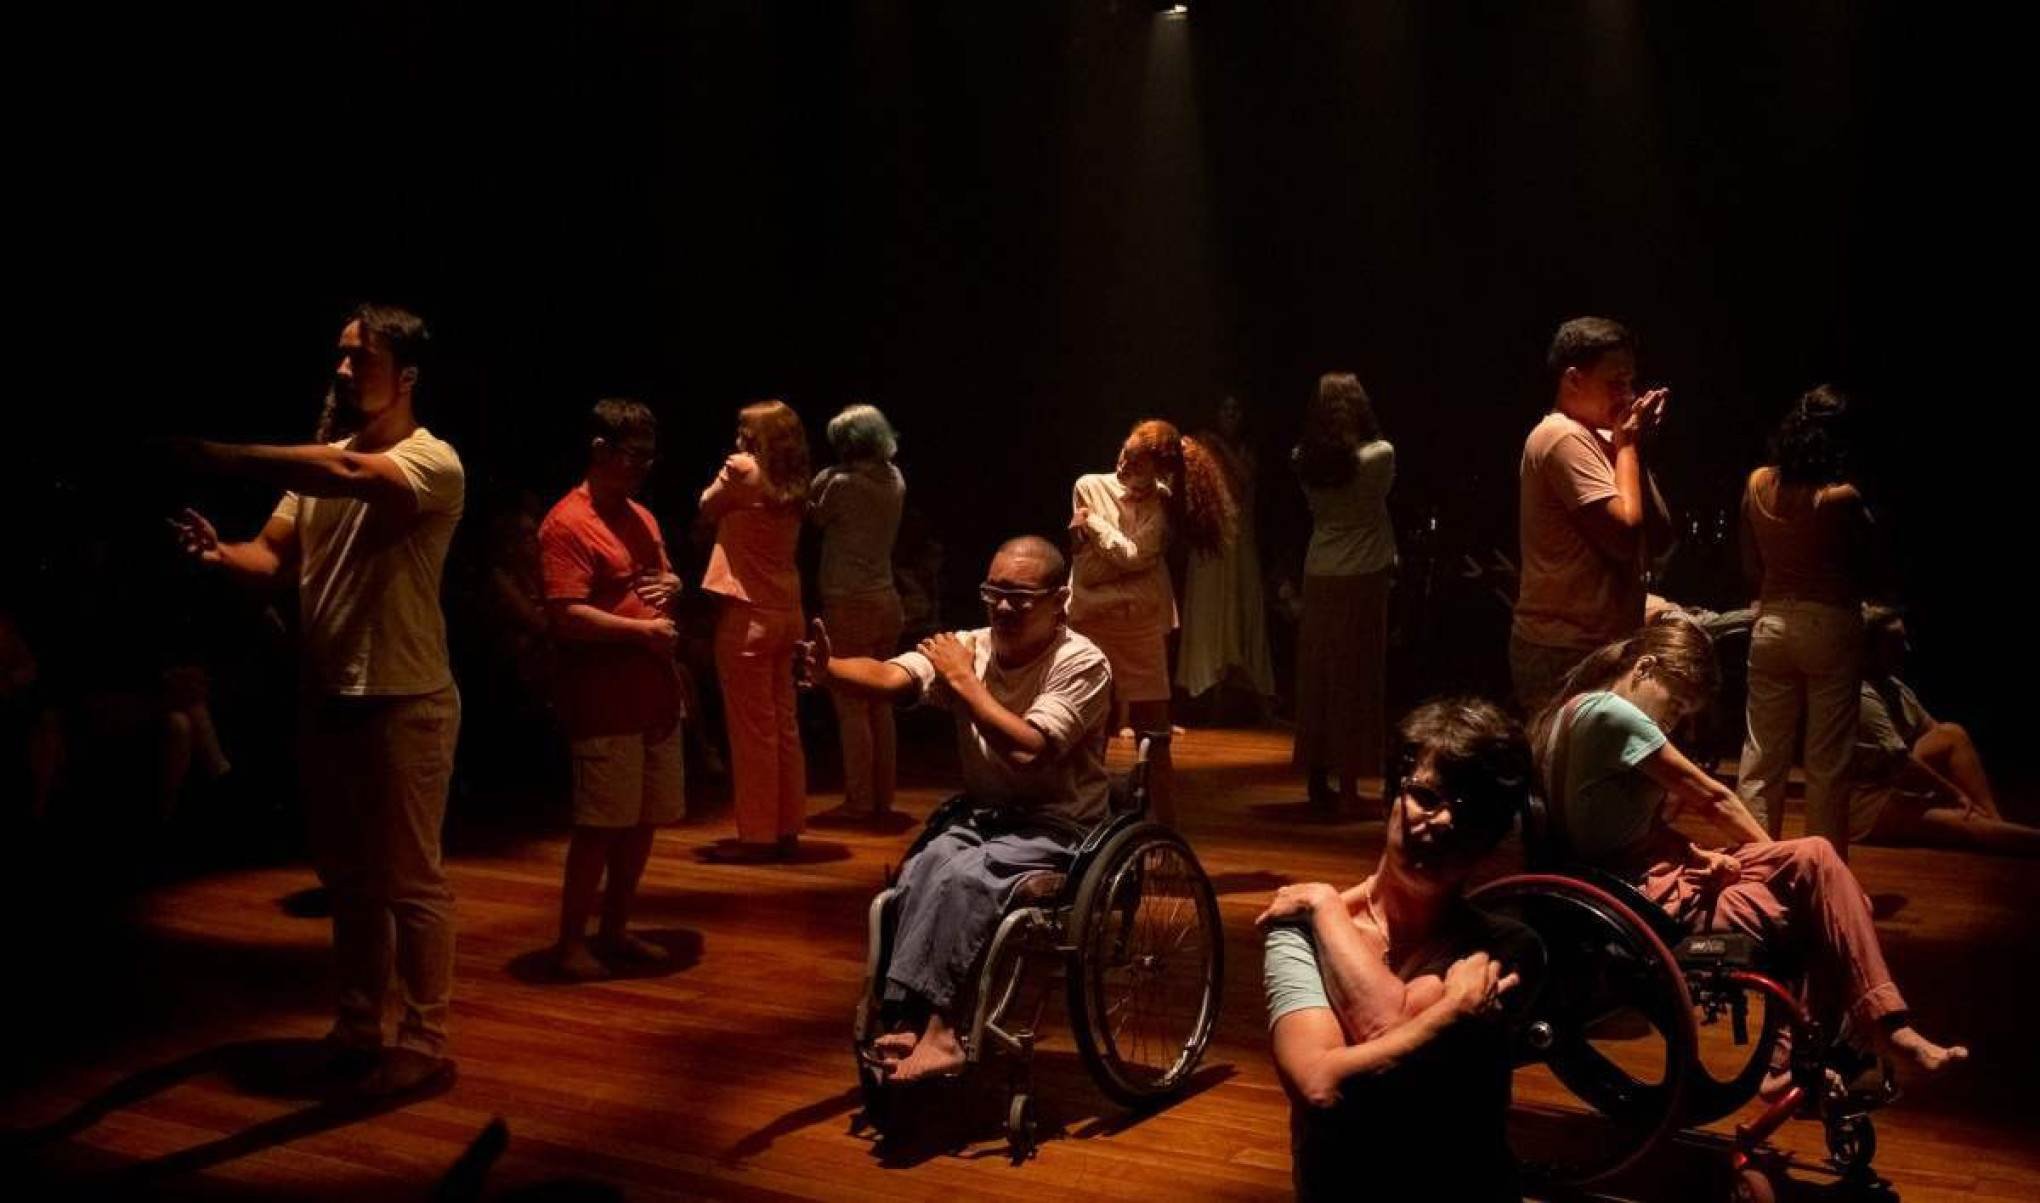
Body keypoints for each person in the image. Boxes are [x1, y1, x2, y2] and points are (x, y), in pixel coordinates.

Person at [170, 303, 463, 1096]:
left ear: (406, 376)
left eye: (360, 358)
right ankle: (359, 1025)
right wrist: (220, 554)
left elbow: (347, 477)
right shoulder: (321, 463)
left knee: (410, 879)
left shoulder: (431, 460)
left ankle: (424, 1038)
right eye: (340, 355)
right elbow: (273, 558)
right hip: (328, 693)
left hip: (405, 696)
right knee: (348, 878)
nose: (342, 370)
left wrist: (217, 455)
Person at [1532, 616, 1966, 1088]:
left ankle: (1809, 1052)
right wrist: (1778, 862)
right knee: (1825, 888)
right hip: (1638, 899)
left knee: (1820, 868)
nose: (1672, 721)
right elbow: (1713, 798)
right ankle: (1871, 1030)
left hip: (1640, 879)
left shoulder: (1577, 709)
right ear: (1645, 668)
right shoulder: (1614, 714)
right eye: (1675, 704)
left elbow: (1621, 825)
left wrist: (1698, 855)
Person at [798, 536, 1111, 1083]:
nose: (1003, 607)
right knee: (923, 869)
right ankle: (907, 1015)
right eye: (994, 593)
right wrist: (831, 670)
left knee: (969, 878)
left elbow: (1028, 750)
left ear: (1060, 600)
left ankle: (945, 1030)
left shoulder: (1081, 662)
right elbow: (892, 677)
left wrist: (964, 680)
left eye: (1020, 597)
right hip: (989, 815)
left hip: (1059, 824)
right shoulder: (969, 646)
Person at [1259, 698, 1542, 1201]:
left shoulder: (1510, 947)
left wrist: (1326, 904)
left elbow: (1385, 1024)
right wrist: (1453, 1012)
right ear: (1392, 795)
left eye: (1471, 810)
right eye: (1426, 797)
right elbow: (1321, 1087)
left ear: (1491, 837)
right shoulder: (1296, 932)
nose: (1443, 822)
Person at [538, 399, 686, 980]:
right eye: (635, 455)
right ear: (600, 449)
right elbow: (565, 615)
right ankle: (571, 941)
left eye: (651, 456)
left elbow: (662, 578)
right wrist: (641, 631)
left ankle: (616, 928)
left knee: (643, 821)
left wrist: (673, 586)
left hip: (653, 693)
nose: (644, 467)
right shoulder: (567, 524)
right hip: (604, 699)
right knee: (600, 826)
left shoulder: (641, 516)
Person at [1069, 419, 1234, 824]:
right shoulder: (1089, 485)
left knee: (1154, 733)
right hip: (1093, 620)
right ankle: (1084, 824)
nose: (1123, 464)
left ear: (1158, 470)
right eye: (1124, 453)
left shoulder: (1164, 502)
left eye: (1136, 462)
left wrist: (1093, 524)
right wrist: (1128, 568)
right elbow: (1090, 569)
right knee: (1091, 728)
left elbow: (1133, 557)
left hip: (1139, 625)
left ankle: (1165, 828)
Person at [1737, 385, 1880, 851]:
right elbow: (1871, 568)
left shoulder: (1757, 484)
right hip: (1829, 623)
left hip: (1771, 622)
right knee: (1827, 763)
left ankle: (1754, 864)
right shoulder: (1842, 498)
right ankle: (1821, 873)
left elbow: (1750, 565)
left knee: (1762, 758)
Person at [1511, 317, 1673, 715]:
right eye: (1616, 383)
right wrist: (1628, 447)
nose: (1628, 395)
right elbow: (1624, 538)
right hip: (1564, 648)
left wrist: (1635, 450)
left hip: (1597, 643)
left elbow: (1661, 537)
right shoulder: (1561, 436)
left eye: (1631, 382)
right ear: (1573, 379)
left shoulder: (1604, 438)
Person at [698, 400, 810, 862]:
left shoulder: (742, 469)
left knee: (752, 732)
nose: (739, 434)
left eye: (744, 427)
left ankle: (758, 837)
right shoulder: (795, 480)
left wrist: (738, 458)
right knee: (784, 726)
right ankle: (786, 827)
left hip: (748, 613)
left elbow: (705, 506)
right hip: (787, 611)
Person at [1846, 606, 2040, 855]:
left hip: (1895, 783)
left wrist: (1953, 788)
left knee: (1952, 733)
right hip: (1870, 805)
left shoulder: (1895, 687)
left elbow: (1937, 734)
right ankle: (2008, 833)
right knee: (1966, 824)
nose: (1906, 649)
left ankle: (1996, 823)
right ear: (1869, 649)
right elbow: (1902, 760)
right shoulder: (1862, 695)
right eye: (1895, 643)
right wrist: (1954, 793)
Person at [1290, 373, 1397, 815]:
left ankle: (1318, 781)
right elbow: (1377, 497)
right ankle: (1351, 789)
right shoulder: (1379, 455)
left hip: (1319, 570)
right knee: (1357, 678)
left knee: (1319, 676)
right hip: (1363, 572)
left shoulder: (1303, 458)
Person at [808, 404, 906, 825]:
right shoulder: (895, 478)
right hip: (886, 598)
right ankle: (883, 797)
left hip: (849, 601)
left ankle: (860, 801)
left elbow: (813, 515)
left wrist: (825, 475)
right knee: (880, 702)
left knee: (851, 704)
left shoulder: (842, 484)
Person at [1175, 393, 1275, 720]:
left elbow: (1244, 480)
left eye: (1236, 409)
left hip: (1240, 543)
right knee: (1209, 613)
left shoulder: (1243, 450)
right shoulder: (1200, 447)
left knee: (1241, 611)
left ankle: (1248, 688)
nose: (1231, 415)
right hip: (1210, 544)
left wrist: (1220, 445)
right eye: (1225, 409)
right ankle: (1204, 688)